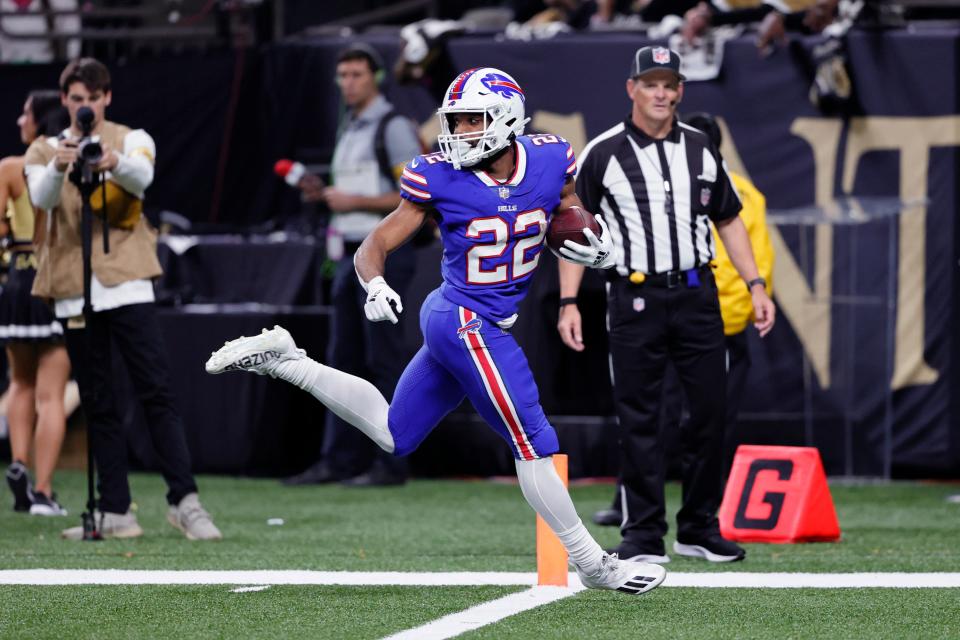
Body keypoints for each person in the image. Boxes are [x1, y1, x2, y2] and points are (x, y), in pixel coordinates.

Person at [207, 66, 666, 595]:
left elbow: (566, 207)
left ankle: (288, 360)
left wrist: (591, 234)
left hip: (471, 320)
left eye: (473, 120)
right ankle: (593, 564)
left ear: (507, 119)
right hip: (464, 319)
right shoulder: (439, 175)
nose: (460, 132)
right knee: (535, 440)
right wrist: (373, 283)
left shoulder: (549, 157)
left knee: (394, 435)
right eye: (457, 121)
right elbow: (374, 243)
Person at [557, 47, 775, 564]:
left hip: (698, 293)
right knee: (641, 418)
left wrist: (757, 284)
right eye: (650, 83)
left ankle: (699, 526)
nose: (661, 93)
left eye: (669, 84)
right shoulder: (604, 151)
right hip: (634, 295)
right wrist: (569, 300)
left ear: (680, 91)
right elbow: (572, 227)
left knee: (709, 413)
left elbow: (727, 218)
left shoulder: (701, 147)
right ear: (632, 88)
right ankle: (643, 534)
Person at [24, 57, 221, 540]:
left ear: (106, 98)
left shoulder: (132, 138)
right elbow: (43, 199)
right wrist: (60, 162)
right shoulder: (44, 148)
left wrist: (112, 161)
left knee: (155, 389)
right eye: (76, 99)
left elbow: (142, 179)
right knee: (98, 401)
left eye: (92, 98)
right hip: (74, 287)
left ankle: (184, 500)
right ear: (65, 99)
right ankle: (114, 509)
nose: (84, 107)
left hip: (127, 283)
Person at [590, 111, 775, 527]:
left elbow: (736, 259)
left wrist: (721, 311)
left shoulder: (728, 190)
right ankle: (648, 510)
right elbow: (755, 260)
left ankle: (696, 512)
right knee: (669, 415)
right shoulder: (734, 189)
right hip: (700, 314)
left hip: (706, 317)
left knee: (674, 416)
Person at [283, 43, 423, 488]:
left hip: (385, 256)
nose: (348, 83)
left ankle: (392, 461)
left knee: (382, 358)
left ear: (376, 78)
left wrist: (353, 200)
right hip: (348, 252)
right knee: (342, 359)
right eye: (342, 75)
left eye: (357, 74)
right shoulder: (352, 127)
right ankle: (339, 459)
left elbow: (415, 197)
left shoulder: (393, 126)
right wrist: (328, 197)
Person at [1, 90, 72, 516]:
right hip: (55, 279)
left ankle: (19, 464)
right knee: (52, 394)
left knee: (19, 383)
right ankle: (43, 491)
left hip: (17, 280)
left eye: (24, 112)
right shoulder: (66, 162)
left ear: (39, 119)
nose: (18, 120)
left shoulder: (9, 169)